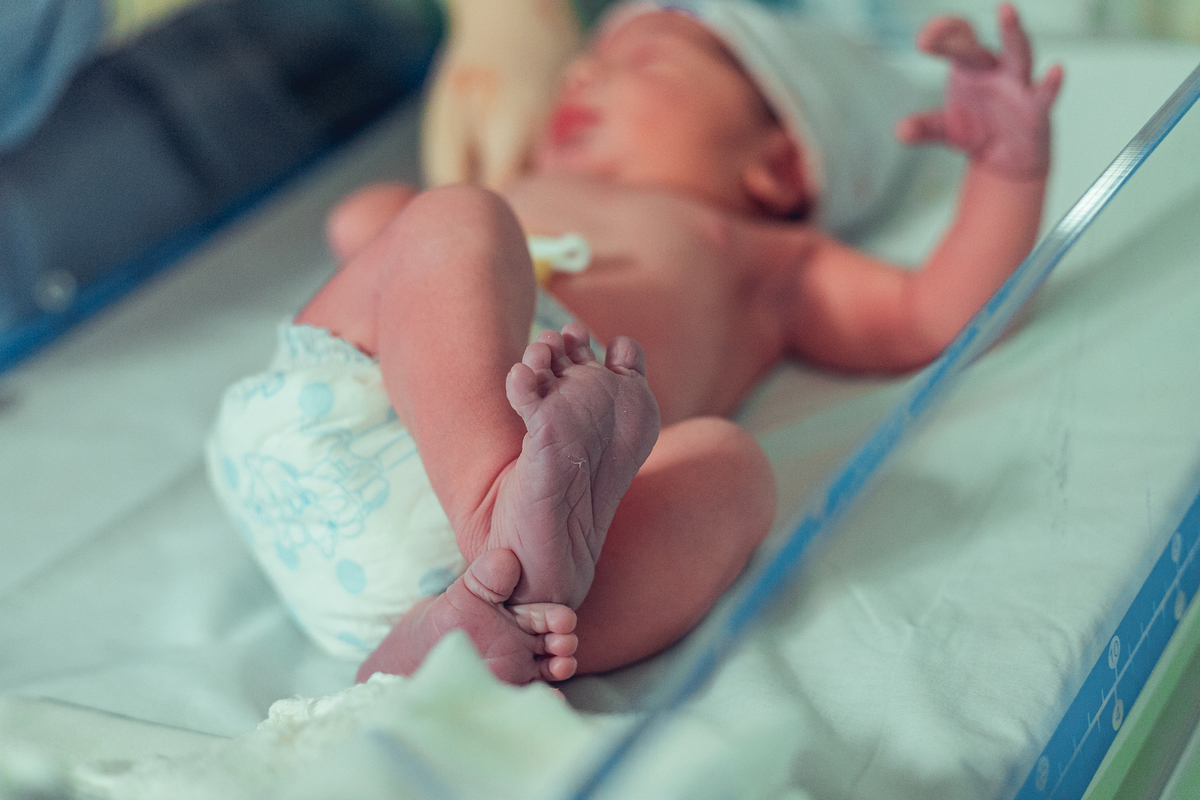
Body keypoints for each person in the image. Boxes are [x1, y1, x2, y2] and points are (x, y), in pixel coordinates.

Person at [207, 0, 1062, 684]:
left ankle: (457, 645)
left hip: (482, 579)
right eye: (588, 62)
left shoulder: (776, 264)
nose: (586, 75)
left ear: (781, 164)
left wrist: (1006, 174)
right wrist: (425, 233)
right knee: (458, 216)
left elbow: (930, 315)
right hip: (368, 416)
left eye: (645, 64)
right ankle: (497, 509)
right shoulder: (513, 189)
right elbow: (375, 240)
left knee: (731, 474)